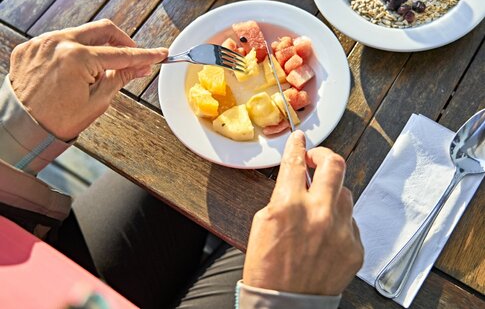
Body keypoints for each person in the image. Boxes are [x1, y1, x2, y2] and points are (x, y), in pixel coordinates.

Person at [0, 19, 364, 308]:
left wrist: (13, 134)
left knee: (180, 163)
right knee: (310, 230)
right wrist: (283, 303)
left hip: (38, 264)